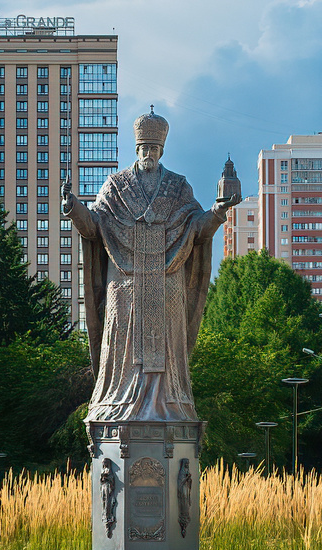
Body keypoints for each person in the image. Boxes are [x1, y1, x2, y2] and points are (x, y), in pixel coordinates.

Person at [61, 108, 241, 422]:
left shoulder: (178, 186)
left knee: (169, 342)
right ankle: (118, 401)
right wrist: (73, 207)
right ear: (137, 149)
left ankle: (170, 402)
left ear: (161, 150)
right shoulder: (116, 186)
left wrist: (217, 211)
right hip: (125, 282)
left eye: (154, 149)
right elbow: (94, 226)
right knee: (121, 342)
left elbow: (196, 228)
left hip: (167, 279)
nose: (148, 153)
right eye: (144, 148)